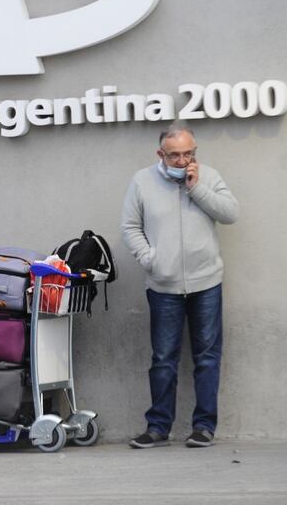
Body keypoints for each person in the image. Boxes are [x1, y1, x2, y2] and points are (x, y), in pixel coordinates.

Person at [121, 123, 239, 448]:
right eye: (175, 155)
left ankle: (203, 427)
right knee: (162, 359)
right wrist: (151, 259)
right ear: (161, 154)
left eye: (189, 153)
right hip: (163, 286)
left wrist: (197, 187)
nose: (183, 160)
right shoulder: (142, 181)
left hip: (206, 283)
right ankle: (157, 427)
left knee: (207, 357)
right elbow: (130, 226)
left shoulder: (209, 176)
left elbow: (230, 214)